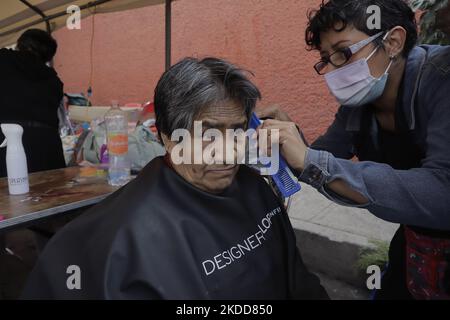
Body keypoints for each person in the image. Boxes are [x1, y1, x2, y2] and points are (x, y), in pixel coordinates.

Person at [22, 57, 328, 300]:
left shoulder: (255, 188)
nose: (227, 153)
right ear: (168, 138)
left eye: (237, 131)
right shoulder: (122, 239)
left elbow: (300, 283)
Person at [257, 0, 450, 300]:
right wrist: (290, 136)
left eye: (343, 53)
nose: (333, 70)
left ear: (394, 41)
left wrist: (311, 160)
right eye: (326, 59)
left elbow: (442, 193)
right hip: (416, 244)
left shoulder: (442, 80)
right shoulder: (357, 107)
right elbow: (323, 160)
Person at [0, 28, 65, 176]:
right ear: (48, 56)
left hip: (6, 144)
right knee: (50, 194)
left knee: (8, 195)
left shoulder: (2, 59)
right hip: (48, 150)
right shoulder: (55, 81)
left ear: (21, 44)